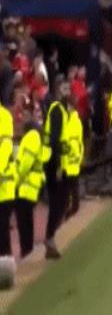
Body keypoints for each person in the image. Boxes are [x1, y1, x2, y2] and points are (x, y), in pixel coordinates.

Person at [15, 102, 50, 258]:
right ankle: (27, 249)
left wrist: (16, 181)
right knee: (26, 219)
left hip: (27, 186)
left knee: (24, 220)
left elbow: (25, 164)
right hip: (31, 185)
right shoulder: (34, 137)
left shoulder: (31, 137)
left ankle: (26, 250)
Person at [42, 76, 70, 259]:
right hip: (54, 163)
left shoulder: (60, 108)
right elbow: (55, 140)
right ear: (58, 88)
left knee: (60, 201)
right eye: (65, 87)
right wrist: (58, 165)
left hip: (54, 162)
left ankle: (50, 237)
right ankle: (49, 237)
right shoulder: (58, 110)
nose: (68, 91)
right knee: (58, 202)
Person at [0, 96, 16, 285]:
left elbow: (5, 146)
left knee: (2, 229)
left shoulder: (3, 116)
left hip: (4, 188)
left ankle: (6, 274)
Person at [64, 99, 84, 219]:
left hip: (71, 155)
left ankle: (72, 207)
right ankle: (73, 206)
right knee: (73, 185)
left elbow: (69, 139)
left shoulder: (72, 121)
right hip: (75, 155)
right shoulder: (75, 120)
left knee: (70, 185)